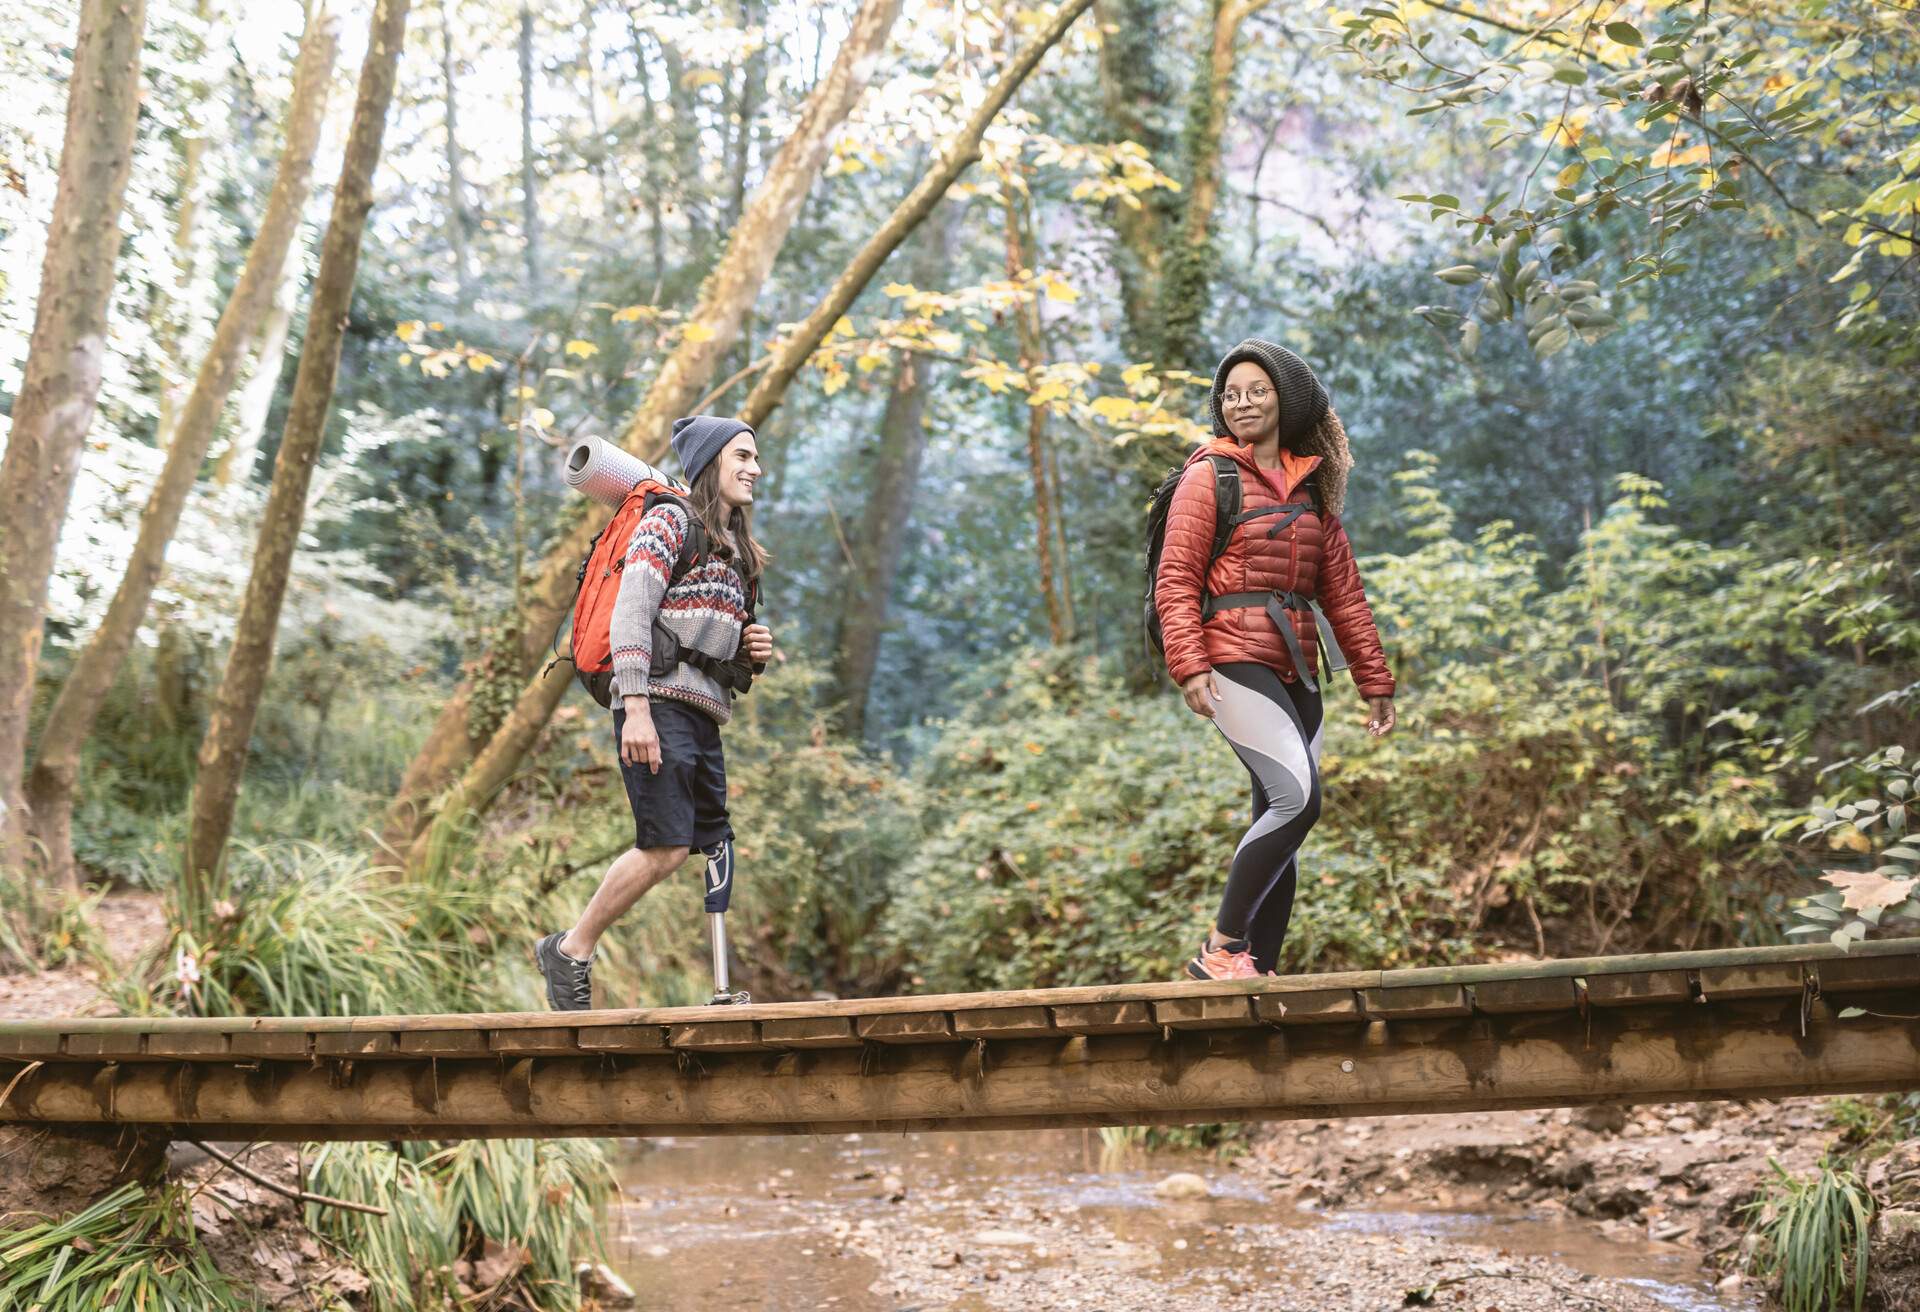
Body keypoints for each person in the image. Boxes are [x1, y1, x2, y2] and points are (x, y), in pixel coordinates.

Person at [1154, 339, 1397, 981]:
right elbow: (1176, 576)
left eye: (1255, 390)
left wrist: (1374, 680)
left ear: (1286, 398)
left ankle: (1259, 972)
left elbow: (1342, 592)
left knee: (1279, 817)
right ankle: (1223, 948)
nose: (1242, 402)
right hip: (1231, 656)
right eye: (1230, 394)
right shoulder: (1210, 474)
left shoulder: (1313, 487)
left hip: (1299, 668)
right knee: (1299, 800)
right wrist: (1189, 664)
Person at [533, 416, 774, 1011]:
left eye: (756, 457)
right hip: (654, 704)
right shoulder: (669, 520)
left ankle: (722, 989)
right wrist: (635, 705)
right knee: (665, 845)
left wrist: (752, 647)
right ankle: (570, 951)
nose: (755, 468)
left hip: (703, 713)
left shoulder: (737, 547)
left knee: (714, 840)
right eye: (743, 455)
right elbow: (631, 614)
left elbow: (712, 634)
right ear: (712, 460)